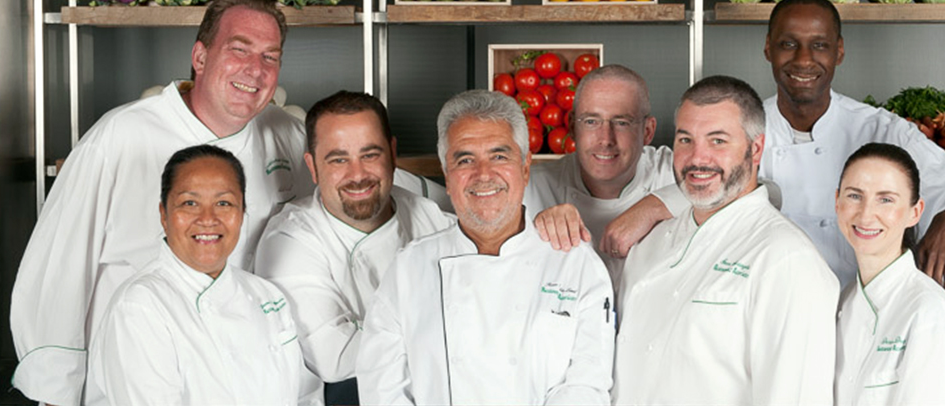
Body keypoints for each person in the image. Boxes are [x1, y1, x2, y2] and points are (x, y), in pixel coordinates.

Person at [9, 0, 315, 405]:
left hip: (248, 379)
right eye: (239, 50)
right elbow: (58, 269)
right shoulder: (119, 137)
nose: (255, 70)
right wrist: (53, 393)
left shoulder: (287, 136)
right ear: (200, 57)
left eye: (270, 57)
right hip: (129, 383)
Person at [600, 0, 945, 293]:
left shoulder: (882, 130)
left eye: (819, 45)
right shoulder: (745, 128)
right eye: (789, 44)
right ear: (769, 49)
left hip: (859, 308)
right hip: (769, 307)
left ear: (839, 51)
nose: (804, 60)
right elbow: (704, 180)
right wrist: (652, 206)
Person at [357, 90, 615, 405]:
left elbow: (587, 387)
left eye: (499, 155)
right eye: (465, 159)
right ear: (448, 177)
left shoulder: (575, 264)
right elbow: (380, 389)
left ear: (524, 167)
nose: (483, 175)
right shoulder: (408, 268)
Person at [613, 76, 837, 405]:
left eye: (718, 141)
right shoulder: (649, 244)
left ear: (756, 148)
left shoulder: (787, 261)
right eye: (685, 139)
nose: (697, 158)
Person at [252, 91, 455, 405]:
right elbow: (335, 357)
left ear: (392, 152)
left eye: (370, 154)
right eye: (338, 159)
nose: (357, 174)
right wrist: (443, 326)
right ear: (313, 166)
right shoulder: (291, 239)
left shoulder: (426, 212)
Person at [84, 145, 322, 406]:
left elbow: (306, 396)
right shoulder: (141, 308)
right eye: (190, 203)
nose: (208, 218)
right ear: (164, 214)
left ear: (242, 213)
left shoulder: (267, 296)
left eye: (224, 203)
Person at [831, 143, 945, 405]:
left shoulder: (929, 315)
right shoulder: (844, 301)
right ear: (837, 202)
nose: (866, 214)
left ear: (914, 212)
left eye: (886, 199)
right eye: (854, 196)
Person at [527, 64, 677, 304]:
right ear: (573, 127)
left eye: (622, 122)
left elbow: (752, 191)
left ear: (647, 132)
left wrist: (655, 205)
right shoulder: (533, 186)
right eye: (591, 122)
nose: (605, 139)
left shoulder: (672, 172)